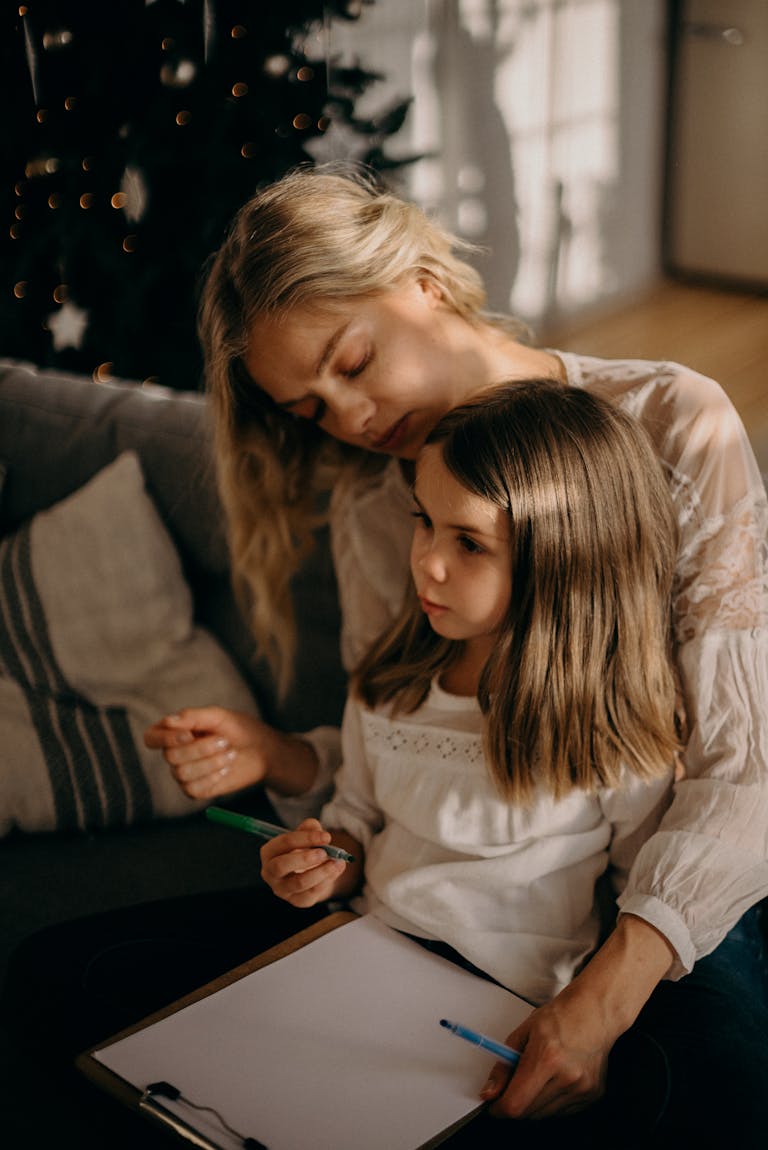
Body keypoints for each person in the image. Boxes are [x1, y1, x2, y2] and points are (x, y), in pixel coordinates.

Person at [3, 164, 766, 1146]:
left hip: (641, 889)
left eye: (353, 364)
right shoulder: (376, 508)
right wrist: (291, 773)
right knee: (62, 983)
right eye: (312, 408)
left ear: (423, 282)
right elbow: (399, 738)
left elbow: (739, 767)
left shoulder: (672, 420)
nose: (353, 422)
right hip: (406, 919)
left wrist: (601, 1002)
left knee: (721, 1104)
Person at [261, 378, 688, 1144]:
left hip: (497, 1016)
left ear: (565, 559)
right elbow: (357, 817)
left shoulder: (611, 734)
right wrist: (330, 857)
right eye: (424, 522)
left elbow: (635, 896)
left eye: (468, 544)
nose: (425, 562)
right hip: (358, 961)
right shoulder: (391, 683)